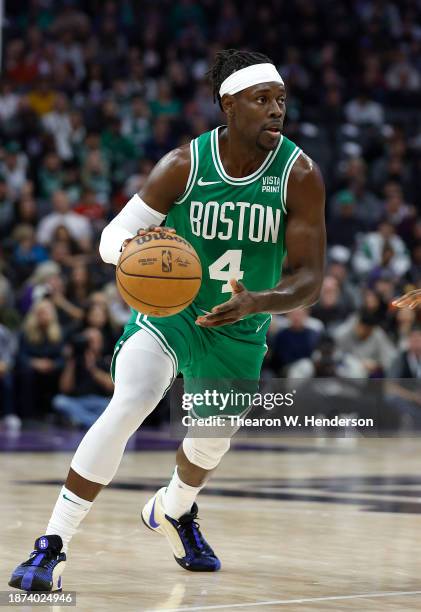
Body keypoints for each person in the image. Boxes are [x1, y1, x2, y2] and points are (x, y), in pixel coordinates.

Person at [9, 49, 325, 591]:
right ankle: (52, 545)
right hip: (172, 313)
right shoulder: (184, 164)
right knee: (132, 399)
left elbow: (310, 278)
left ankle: (174, 511)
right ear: (229, 105)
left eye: (281, 101)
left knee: (210, 444)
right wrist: (136, 246)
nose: (277, 111)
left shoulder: (298, 175)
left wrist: (257, 302)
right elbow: (111, 238)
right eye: (263, 100)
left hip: (240, 324)